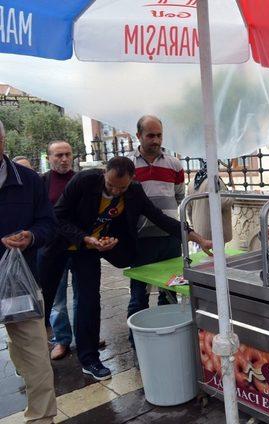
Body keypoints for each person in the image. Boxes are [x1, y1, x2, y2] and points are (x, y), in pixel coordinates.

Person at [43, 156, 212, 380]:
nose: (114, 191)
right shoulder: (83, 181)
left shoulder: (133, 191)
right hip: (60, 244)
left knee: (89, 300)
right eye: (110, 184)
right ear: (104, 173)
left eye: (120, 187)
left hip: (90, 250)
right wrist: (84, 238)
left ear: (132, 180)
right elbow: (58, 215)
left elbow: (159, 218)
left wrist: (199, 239)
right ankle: (36, 350)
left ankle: (89, 358)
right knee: (46, 299)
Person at [0, 120, 58, 423]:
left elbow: (48, 224)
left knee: (36, 357)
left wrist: (31, 237)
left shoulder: (29, 180)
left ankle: (42, 419)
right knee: (23, 351)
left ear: (3, 142)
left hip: (22, 283)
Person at [126, 115, 186, 343]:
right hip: (140, 239)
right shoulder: (127, 164)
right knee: (139, 294)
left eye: (159, 135)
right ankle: (138, 343)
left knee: (170, 292)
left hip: (170, 238)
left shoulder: (174, 164)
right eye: (150, 135)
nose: (156, 140)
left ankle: (167, 338)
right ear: (138, 135)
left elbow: (179, 196)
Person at [39, 140, 78, 360]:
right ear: (49, 158)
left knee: (84, 296)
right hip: (53, 248)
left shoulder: (80, 179)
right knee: (57, 298)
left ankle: (84, 336)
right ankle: (62, 340)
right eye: (58, 155)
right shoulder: (42, 182)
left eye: (67, 154)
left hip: (80, 246)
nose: (64, 159)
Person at [186, 164, 234, 244]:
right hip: (214, 230)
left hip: (199, 230)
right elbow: (222, 202)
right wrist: (233, 195)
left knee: (202, 255)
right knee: (216, 254)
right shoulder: (214, 182)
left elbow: (189, 209)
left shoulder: (193, 182)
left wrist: (192, 225)